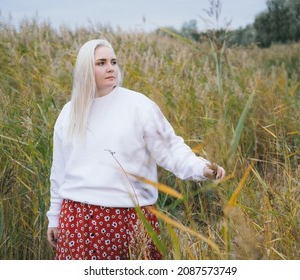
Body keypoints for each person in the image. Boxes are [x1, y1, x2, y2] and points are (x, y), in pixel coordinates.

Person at [46, 39, 225, 260]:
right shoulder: (69, 112)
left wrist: (200, 167)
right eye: (101, 63)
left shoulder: (138, 106)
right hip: (77, 219)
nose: (111, 67)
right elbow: (59, 171)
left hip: (131, 219)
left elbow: (171, 149)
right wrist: (54, 217)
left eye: (113, 61)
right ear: (85, 69)